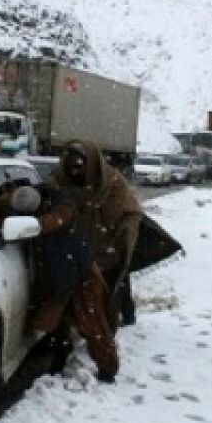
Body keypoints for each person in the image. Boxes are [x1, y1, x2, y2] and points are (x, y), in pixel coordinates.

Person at [0, 180, 120, 383]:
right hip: (55, 275)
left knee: (92, 324)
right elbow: (11, 221)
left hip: (79, 273)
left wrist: (36, 224)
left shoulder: (62, 203)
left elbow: (55, 220)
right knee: (58, 323)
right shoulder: (23, 199)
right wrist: (0, 222)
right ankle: (58, 360)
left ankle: (108, 368)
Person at [47, 140, 143, 331]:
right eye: (70, 166)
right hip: (72, 252)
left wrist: (121, 242)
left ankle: (108, 332)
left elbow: (131, 213)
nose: (75, 172)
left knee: (108, 299)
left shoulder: (112, 183)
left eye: (79, 166)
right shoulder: (59, 181)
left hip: (105, 251)